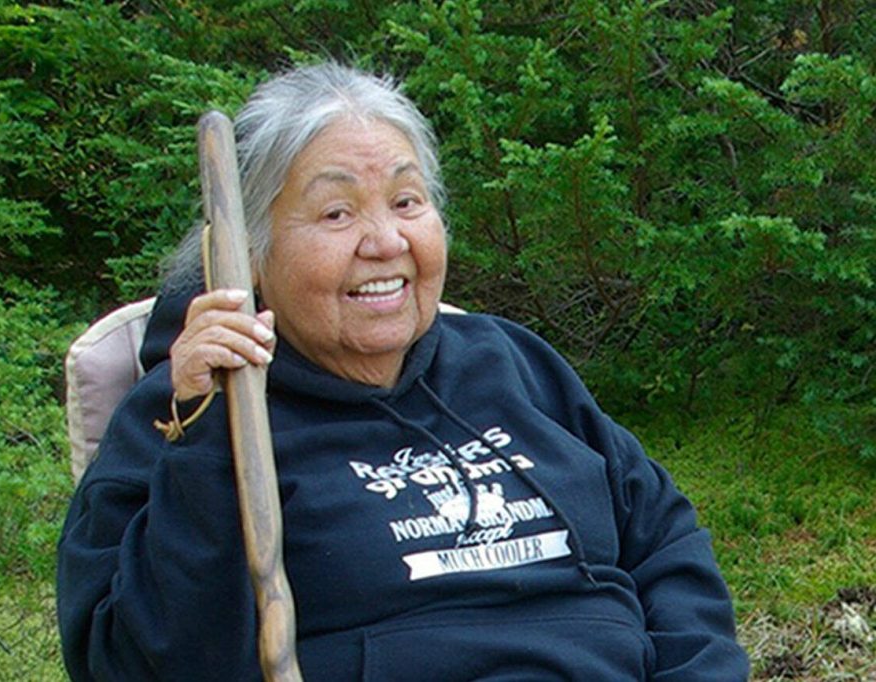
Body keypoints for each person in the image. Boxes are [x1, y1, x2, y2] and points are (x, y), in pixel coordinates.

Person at [57, 62, 750, 681]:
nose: (385, 241)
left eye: (407, 201)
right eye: (336, 212)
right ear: (251, 255)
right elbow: (134, 662)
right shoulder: (194, 411)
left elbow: (664, 545)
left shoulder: (512, 363)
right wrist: (203, 445)